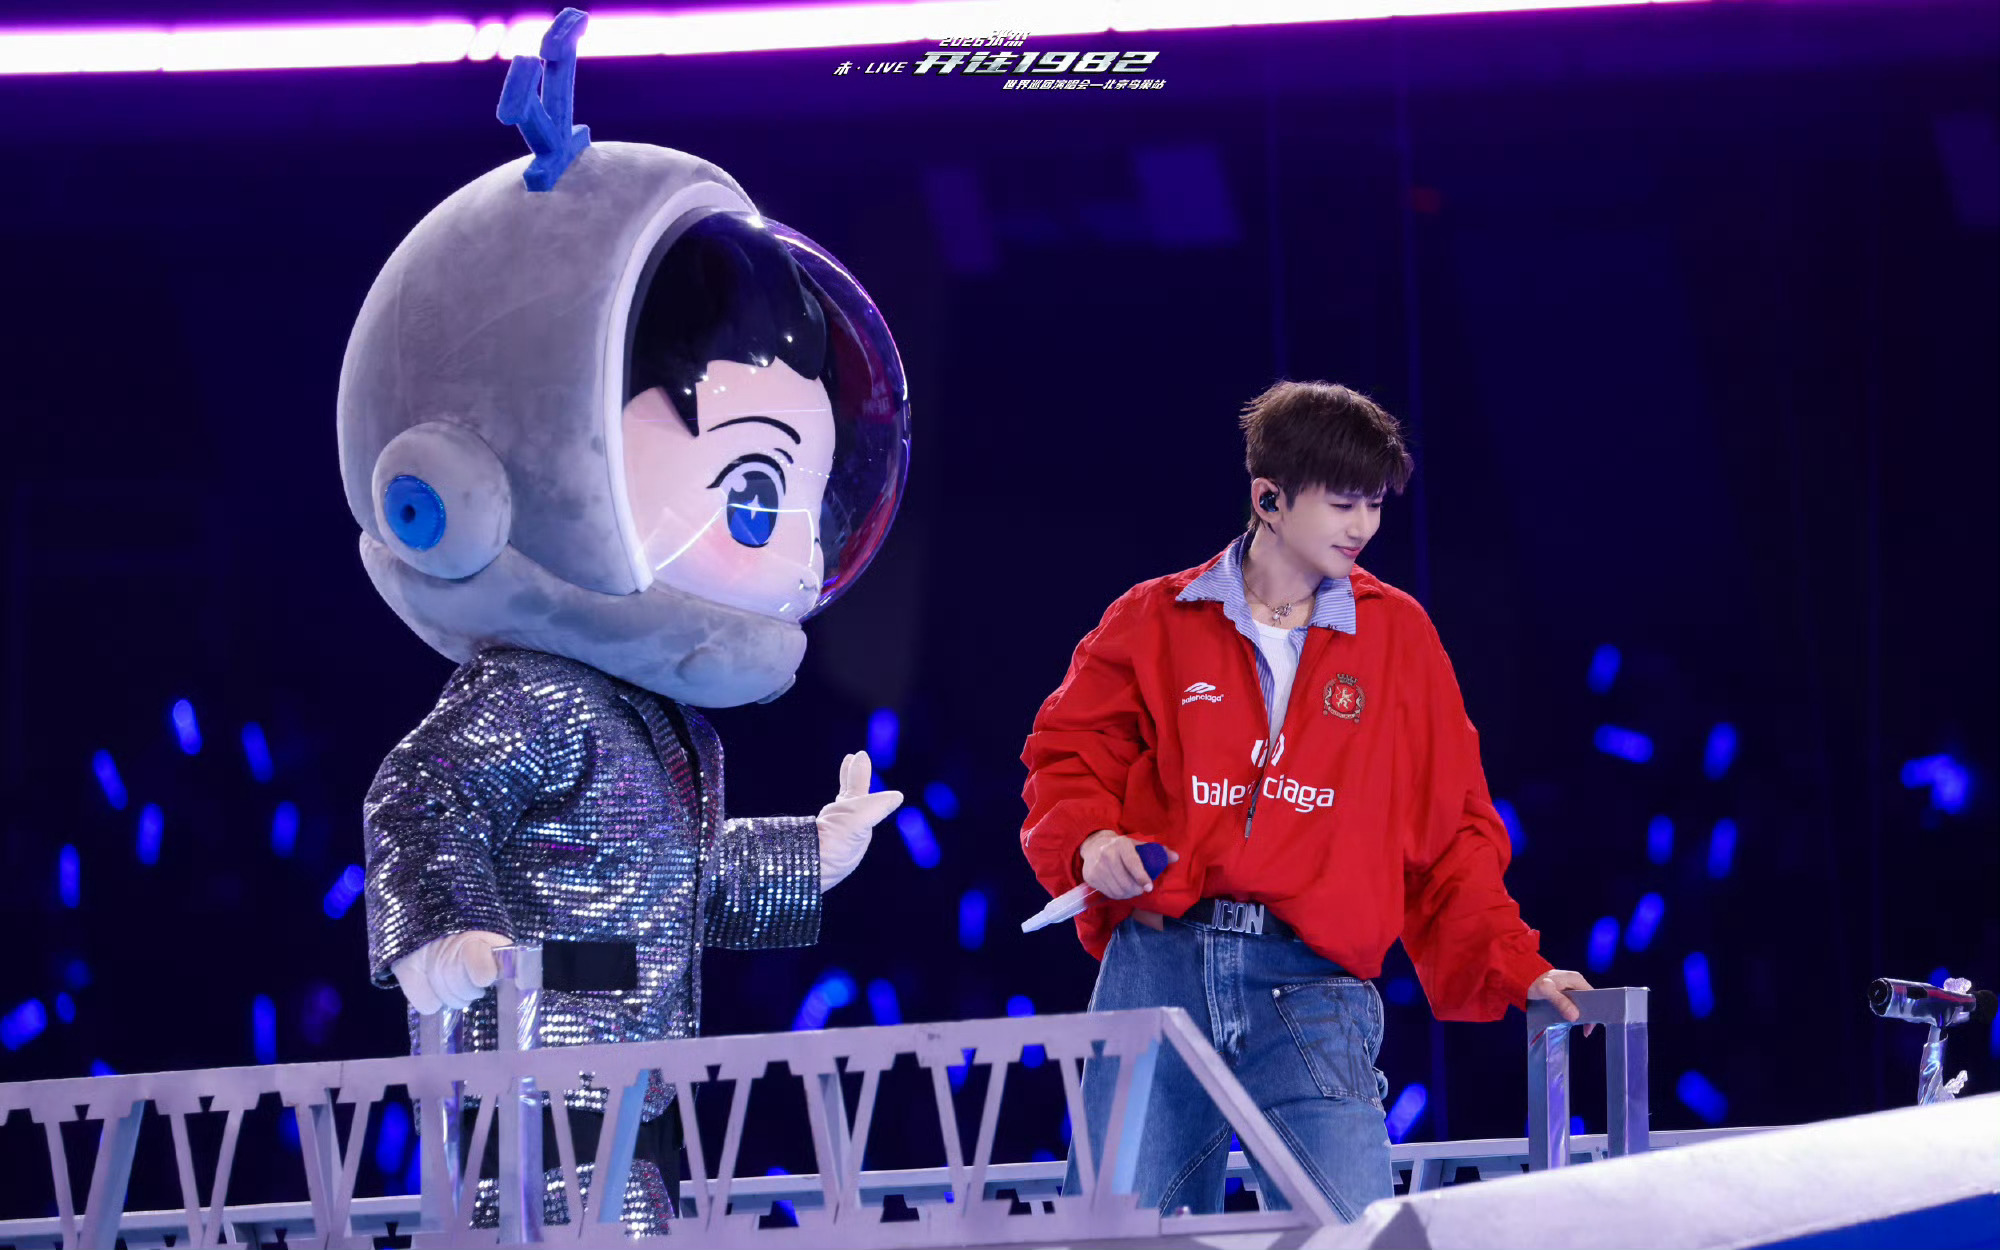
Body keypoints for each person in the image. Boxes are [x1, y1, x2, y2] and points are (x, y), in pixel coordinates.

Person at [339, 11, 912, 1232]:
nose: (795, 547)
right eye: (755, 490)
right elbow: (417, 797)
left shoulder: (657, 722)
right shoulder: (538, 694)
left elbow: (676, 885)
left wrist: (810, 851)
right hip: (529, 1087)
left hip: (630, 1081)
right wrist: (445, 933)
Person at [1020, 380, 1592, 1222]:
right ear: (1269, 499)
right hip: (1158, 968)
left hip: (1314, 985)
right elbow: (1066, 755)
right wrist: (1091, 842)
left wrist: (1518, 965)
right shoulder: (1153, 618)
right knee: (1118, 1237)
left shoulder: (1399, 637)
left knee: (1357, 1235)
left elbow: (1453, 831)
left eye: (1375, 504)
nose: (1362, 526)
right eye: (1342, 503)